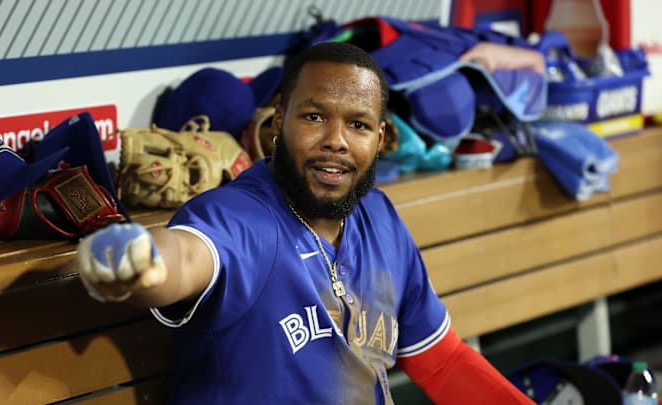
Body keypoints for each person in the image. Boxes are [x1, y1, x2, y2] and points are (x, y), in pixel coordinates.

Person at [75, 41, 534, 404]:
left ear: (379, 139)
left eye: (357, 125)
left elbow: (442, 361)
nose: (335, 140)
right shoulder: (243, 217)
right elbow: (187, 256)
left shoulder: (381, 219)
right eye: (314, 117)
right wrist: (145, 265)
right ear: (279, 123)